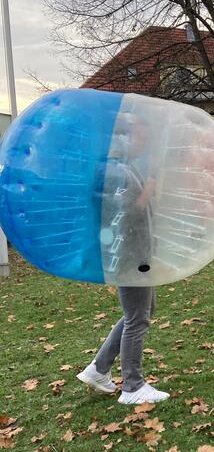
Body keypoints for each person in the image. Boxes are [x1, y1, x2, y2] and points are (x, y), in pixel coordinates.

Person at [77, 115, 169, 404]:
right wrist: (150, 188)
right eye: (141, 137)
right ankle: (132, 386)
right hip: (129, 254)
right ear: (123, 139)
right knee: (137, 318)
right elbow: (127, 212)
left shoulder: (121, 168)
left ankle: (98, 369)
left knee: (142, 310)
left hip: (134, 252)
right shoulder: (115, 171)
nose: (144, 144)